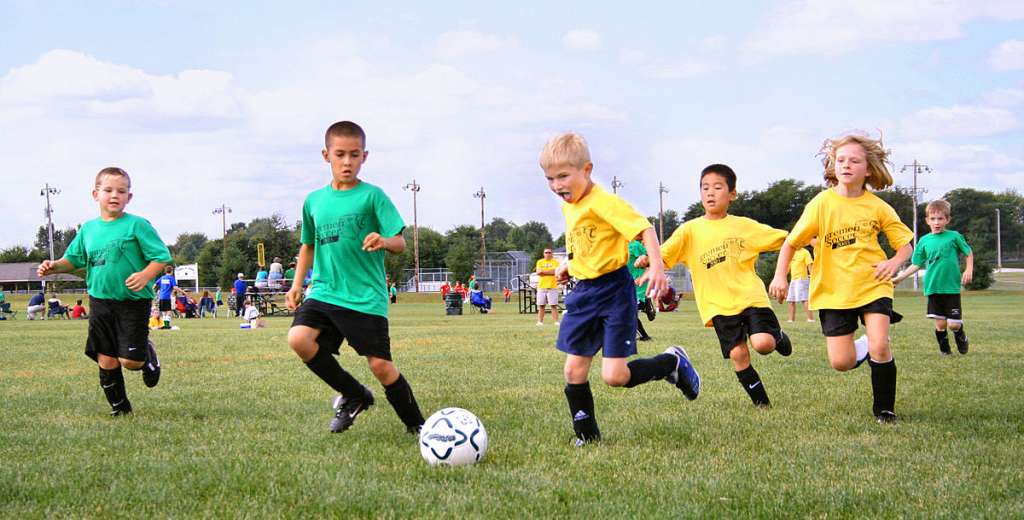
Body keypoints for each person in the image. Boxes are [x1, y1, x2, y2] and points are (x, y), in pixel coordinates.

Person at [540, 132, 700, 446]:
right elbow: (587, 244)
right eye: (549, 178)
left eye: (563, 176)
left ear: (586, 170)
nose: (557, 185)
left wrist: (657, 267)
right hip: (584, 294)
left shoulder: (604, 202)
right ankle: (587, 437)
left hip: (614, 293)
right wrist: (567, 265)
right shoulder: (569, 206)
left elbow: (644, 229)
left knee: (615, 376)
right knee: (573, 370)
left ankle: (671, 363)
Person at [285, 120, 426, 435]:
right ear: (326, 156)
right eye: (340, 155)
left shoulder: (373, 196)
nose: (347, 162)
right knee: (299, 339)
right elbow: (308, 246)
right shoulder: (313, 201)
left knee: (380, 366)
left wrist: (383, 240)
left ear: (365, 156)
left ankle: (417, 426)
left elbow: (400, 243)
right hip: (324, 291)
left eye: (354, 154)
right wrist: (297, 285)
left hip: (365, 296)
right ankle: (354, 394)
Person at [770, 134, 914, 424]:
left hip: (873, 284)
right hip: (833, 292)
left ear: (868, 169)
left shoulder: (878, 206)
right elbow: (791, 243)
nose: (846, 165)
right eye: (841, 160)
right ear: (833, 166)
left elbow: (905, 244)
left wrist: (894, 262)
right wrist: (779, 276)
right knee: (841, 362)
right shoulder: (821, 204)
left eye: (854, 160)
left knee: (881, 345)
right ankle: (864, 346)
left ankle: (885, 409)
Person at [651, 164, 792, 409]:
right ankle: (763, 405)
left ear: (732, 194)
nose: (710, 193)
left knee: (763, 344)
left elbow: (786, 238)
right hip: (717, 304)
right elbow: (664, 255)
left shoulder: (744, 226)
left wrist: (811, 235)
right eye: (705, 188)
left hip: (750, 296)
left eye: (717, 187)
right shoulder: (689, 230)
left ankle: (777, 336)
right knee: (738, 354)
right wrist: (648, 260)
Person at [37, 166, 171, 416]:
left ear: (129, 197)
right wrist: (54, 266)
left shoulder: (137, 225)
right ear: (95, 194)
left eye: (121, 191)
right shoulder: (88, 229)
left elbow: (161, 257)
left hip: (132, 301)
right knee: (106, 359)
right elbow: (73, 259)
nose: (114, 195)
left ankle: (147, 353)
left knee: (131, 362)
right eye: (107, 190)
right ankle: (121, 409)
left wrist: (145, 275)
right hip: (100, 301)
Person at [892, 199, 973, 355]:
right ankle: (945, 351)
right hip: (933, 287)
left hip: (951, 287)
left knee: (954, 324)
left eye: (941, 218)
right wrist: (899, 278)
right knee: (941, 324)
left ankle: (961, 336)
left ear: (947, 220)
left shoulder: (954, 236)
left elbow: (968, 252)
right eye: (933, 219)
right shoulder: (924, 241)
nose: (937, 222)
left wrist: (968, 269)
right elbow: (916, 264)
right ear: (927, 220)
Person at [628, 239, 654, 341]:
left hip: (638, 286)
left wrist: (642, 277)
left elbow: (651, 261)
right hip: (628, 286)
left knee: (628, 312)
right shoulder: (618, 246)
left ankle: (644, 336)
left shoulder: (634, 245)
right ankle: (646, 305)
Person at [786, 240, 816, 323]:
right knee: (790, 300)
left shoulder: (805, 252)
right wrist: (783, 277)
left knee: (804, 299)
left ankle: (811, 319)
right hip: (793, 280)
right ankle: (791, 320)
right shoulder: (791, 253)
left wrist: (812, 276)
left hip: (802, 280)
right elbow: (788, 267)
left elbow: (809, 265)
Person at [534, 248, 561, 326]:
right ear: (543, 254)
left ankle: (556, 321)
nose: (548, 254)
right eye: (546, 252)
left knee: (553, 305)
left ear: (552, 254)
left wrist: (544, 271)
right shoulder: (540, 262)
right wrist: (550, 271)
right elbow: (538, 272)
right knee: (541, 305)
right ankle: (540, 322)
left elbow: (556, 272)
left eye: (549, 252)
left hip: (552, 286)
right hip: (541, 286)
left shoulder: (556, 262)